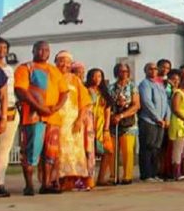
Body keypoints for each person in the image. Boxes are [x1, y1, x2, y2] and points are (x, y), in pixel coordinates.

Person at [14, 41, 69, 195]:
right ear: (33, 50)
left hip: (53, 117)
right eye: (40, 49)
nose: (44, 52)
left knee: (50, 154)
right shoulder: (25, 68)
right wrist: (40, 108)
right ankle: (29, 185)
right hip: (34, 116)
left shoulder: (54, 70)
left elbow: (64, 92)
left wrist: (56, 107)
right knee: (31, 152)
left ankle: (46, 184)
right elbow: (21, 91)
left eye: (47, 49)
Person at [52, 52, 93, 191]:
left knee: (75, 152)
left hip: (73, 122)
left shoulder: (75, 80)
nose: (64, 64)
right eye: (61, 61)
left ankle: (75, 180)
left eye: (67, 61)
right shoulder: (51, 76)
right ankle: (56, 180)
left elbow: (85, 102)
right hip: (55, 120)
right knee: (57, 151)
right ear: (55, 62)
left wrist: (80, 120)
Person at [108, 63, 140, 185]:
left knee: (128, 151)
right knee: (113, 151)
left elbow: (136, 105)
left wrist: (122, 115)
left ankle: (127, 176)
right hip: (113, 121)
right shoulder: (111, 87)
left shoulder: (132, 87)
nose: (124, 73)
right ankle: (113, 175)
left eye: (126, 71)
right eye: (121, 71)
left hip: (128, 122)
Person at [138, 62, 170, 182]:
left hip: (160, 122)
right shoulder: (144, 84)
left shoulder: (159, 85)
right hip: (149, 121)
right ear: (146, 71)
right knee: (147, 148)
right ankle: (146, 174)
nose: (153, 71)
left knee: (156, 149)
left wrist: (167, 118)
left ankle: (154, 173)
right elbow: (147, 102)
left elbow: (166, 102)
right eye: (150, 69)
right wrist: (157, 118)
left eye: (155, 69)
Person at [0, 38, 17, 197]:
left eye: (4, 47)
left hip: (11, 110)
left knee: (4, 149)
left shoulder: (8, 69)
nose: (2, 49)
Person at [86, 68, 114, 186]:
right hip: (89, 124)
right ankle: (88, 179)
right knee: (89, 153)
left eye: (99, 76)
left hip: (101, 125)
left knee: (108, 151)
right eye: (94, 76)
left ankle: (101, 178)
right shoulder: (86, 90)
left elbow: (107, 110)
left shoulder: (104, 92)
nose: (96, 79)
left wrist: (106, 128)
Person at [168, 71, 184, 180]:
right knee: (178, 150)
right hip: (180, 124)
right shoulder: (178, 93)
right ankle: (176, 173)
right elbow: (175, 109)